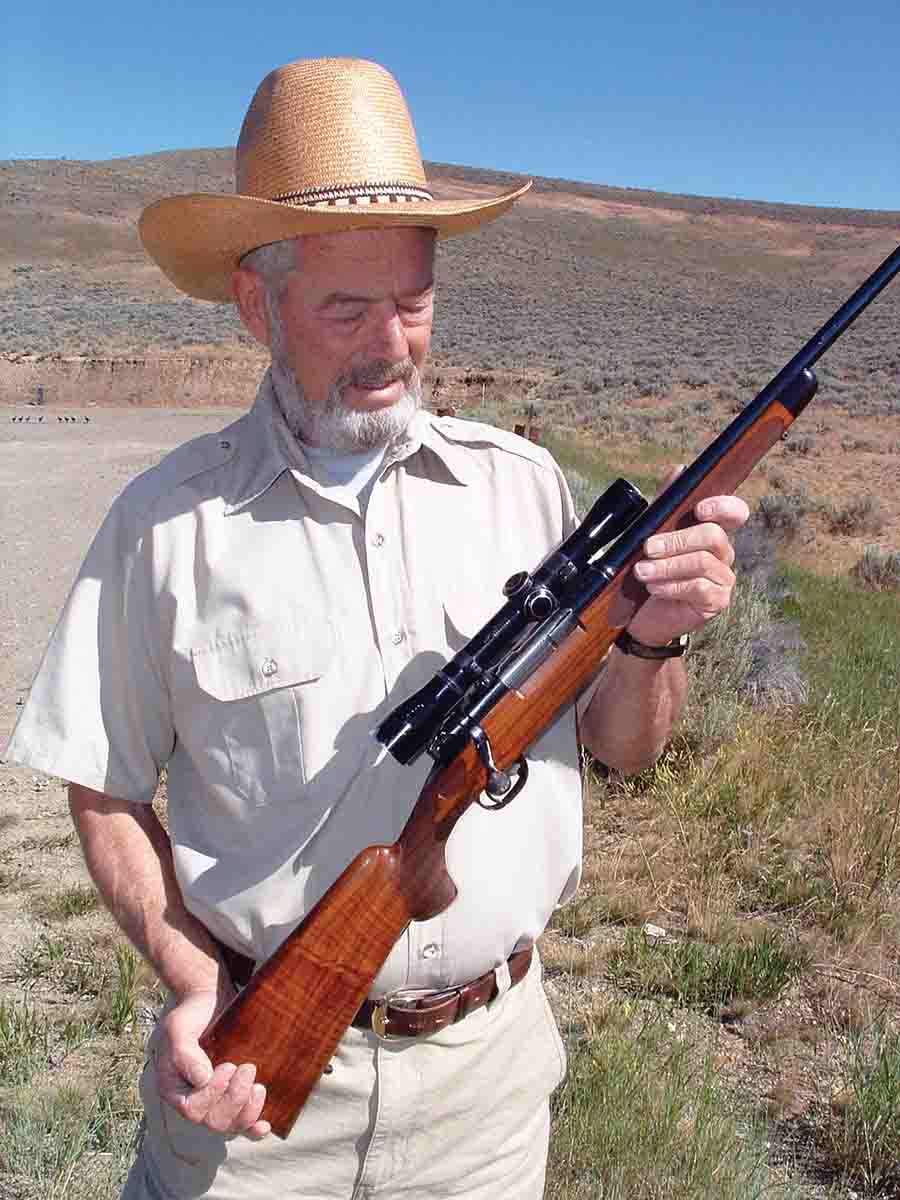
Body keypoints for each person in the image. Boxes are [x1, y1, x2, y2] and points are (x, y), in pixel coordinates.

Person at [6, 57, 749, 1199]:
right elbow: (101, 789)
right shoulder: (164, 524)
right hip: (257, 1097)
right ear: (257, 303)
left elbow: (628, 746)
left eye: (411, 303)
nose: (389, 344)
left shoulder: (525, 488)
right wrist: (191, 974)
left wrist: (654, 637)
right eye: (346, 308)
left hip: (487, 1101)